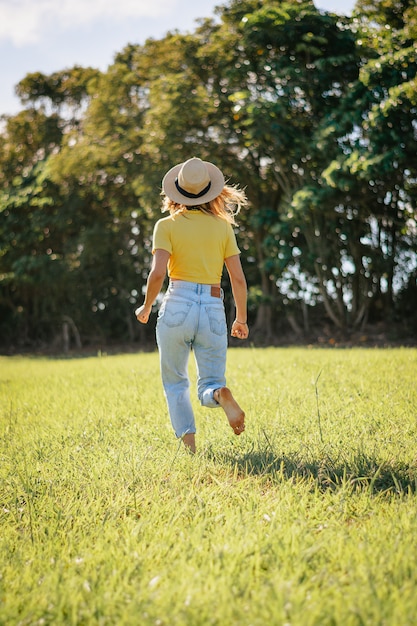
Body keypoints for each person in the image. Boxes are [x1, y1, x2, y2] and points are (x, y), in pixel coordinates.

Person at [135, 157, 249, 453]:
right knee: (208, 383)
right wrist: (241, 319)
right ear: (212, 192)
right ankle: (219, 394)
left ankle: (189, 449)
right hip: (212, 307)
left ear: (176, 192)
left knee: (175, 383)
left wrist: (146, 306)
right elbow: (238, 279)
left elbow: (158, 273)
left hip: (178, 304)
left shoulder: (166, 226)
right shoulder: (223, 228)